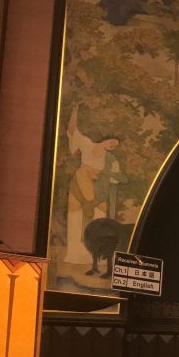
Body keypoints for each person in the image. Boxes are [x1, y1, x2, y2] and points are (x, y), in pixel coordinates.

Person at [64, 104, 124, 265]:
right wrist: (75, 112)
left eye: (115, 146)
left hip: (98, 191)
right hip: (79, 183)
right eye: (112, 141)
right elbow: (72, 131)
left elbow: (114, 182)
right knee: (75, 216)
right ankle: (75, 254)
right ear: (105, 139)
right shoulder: (87, 144)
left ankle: (95, 256)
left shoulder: (111, 160)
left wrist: (106, 181)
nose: (113, 145)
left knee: (98, 220)